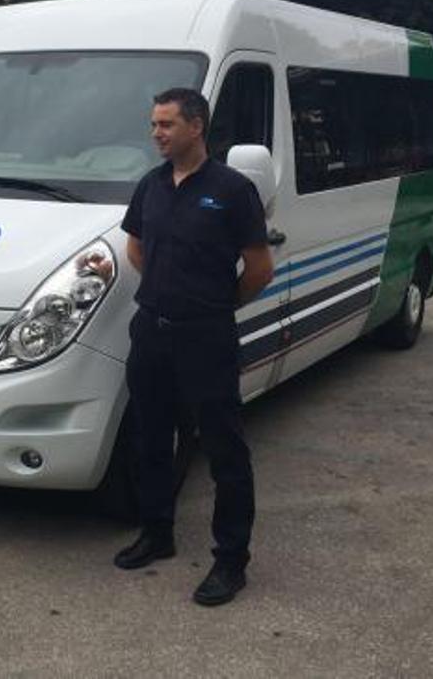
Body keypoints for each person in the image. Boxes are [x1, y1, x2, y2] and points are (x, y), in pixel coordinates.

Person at [101, 87, 273, 606]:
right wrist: (165, 291)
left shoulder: (232, 189)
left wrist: (213, 304)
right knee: (151, 438)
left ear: (196, 126)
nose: (156, 133)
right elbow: (135, 245)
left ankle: (231, 560)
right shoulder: (151, 185)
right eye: (154, 124)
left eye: (166, 125)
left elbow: (259, 268)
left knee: (223, 447)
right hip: (152, 329)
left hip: (206, 335)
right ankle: (158, 533)